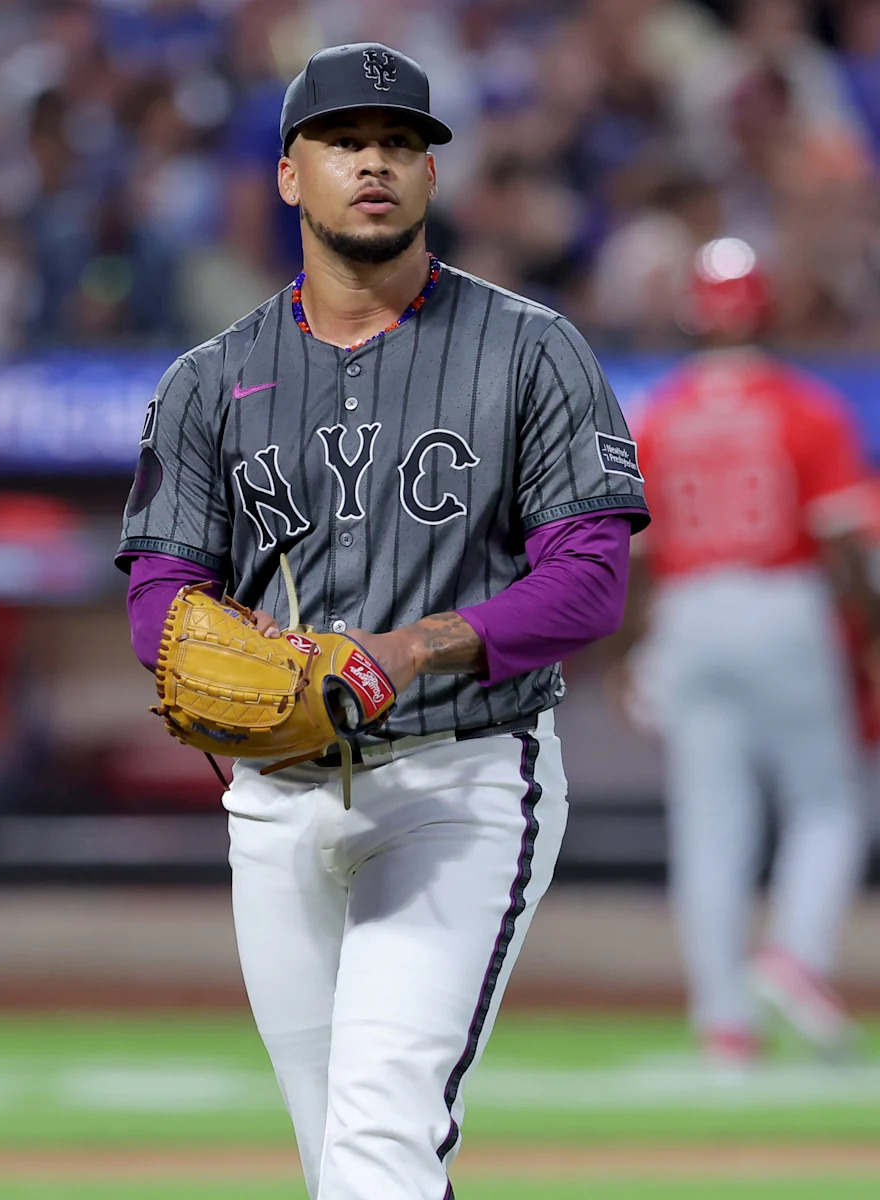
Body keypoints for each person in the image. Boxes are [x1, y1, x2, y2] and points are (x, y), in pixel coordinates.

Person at [117, 43, 648, 1199]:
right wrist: (216, 673)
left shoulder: (531, 349)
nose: (376, 164)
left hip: (462, 779)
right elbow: (159, 585)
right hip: (274, 794)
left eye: (402, 144)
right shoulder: (211, 377)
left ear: (432, 179)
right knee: (341, 1159)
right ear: (288, 175)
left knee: (378, 1137)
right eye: (346, 142)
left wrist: (411, 649)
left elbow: (589, 579)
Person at [614, 237, 877, 1064]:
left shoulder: (661, 411)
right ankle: (795, 954)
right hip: (782, 598)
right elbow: (843, 543)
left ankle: (724, 1020)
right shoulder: (806, 407)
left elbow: (640, 556)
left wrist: (634, 646)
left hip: (689, 611)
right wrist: (868, 635)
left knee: (710, 823)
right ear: (765, 307)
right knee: (829, 804)